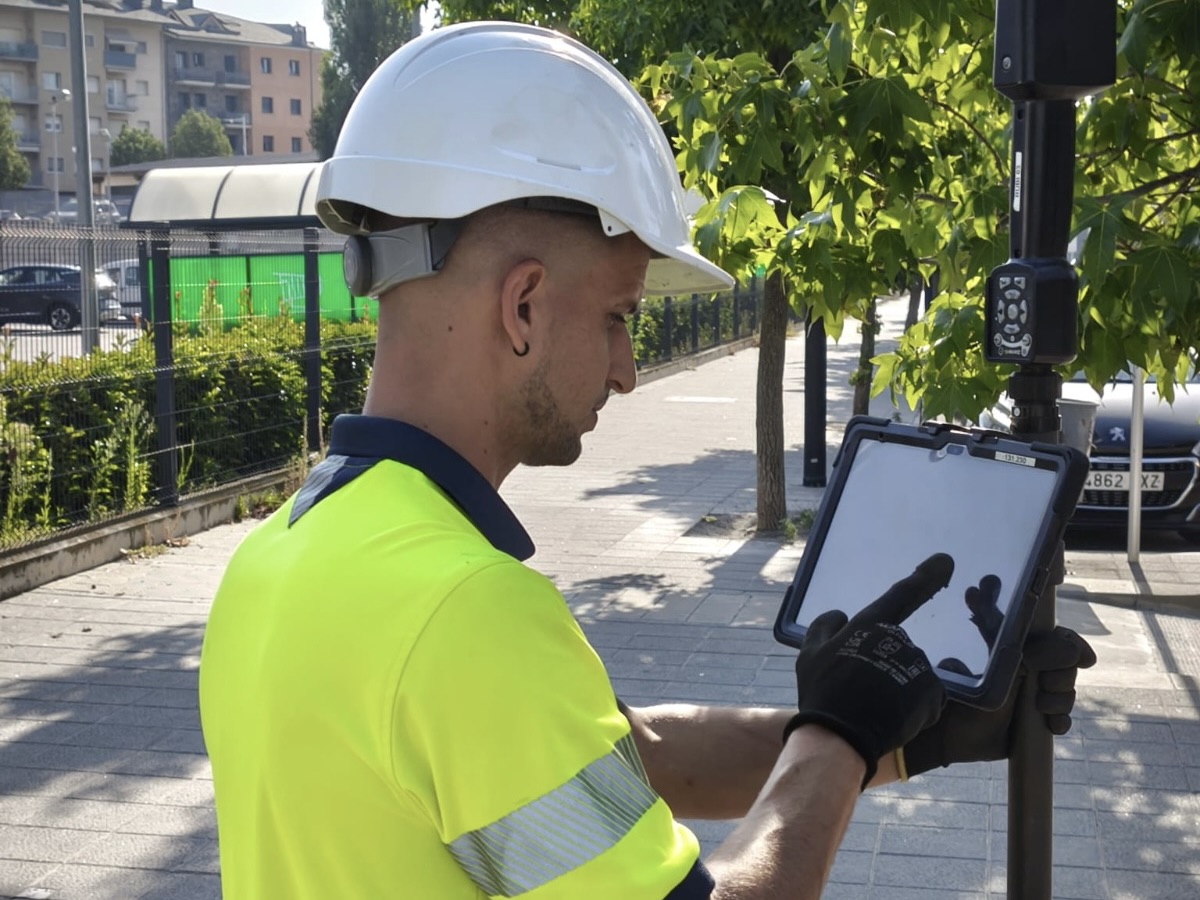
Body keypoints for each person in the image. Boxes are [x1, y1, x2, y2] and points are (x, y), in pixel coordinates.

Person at [198, 21, 1095, 900]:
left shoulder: (282, 555)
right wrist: (841, 736)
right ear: (523, 305)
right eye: (620, 316)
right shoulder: (463, 613)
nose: (628, 371)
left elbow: (627, 759)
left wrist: (913, 732)